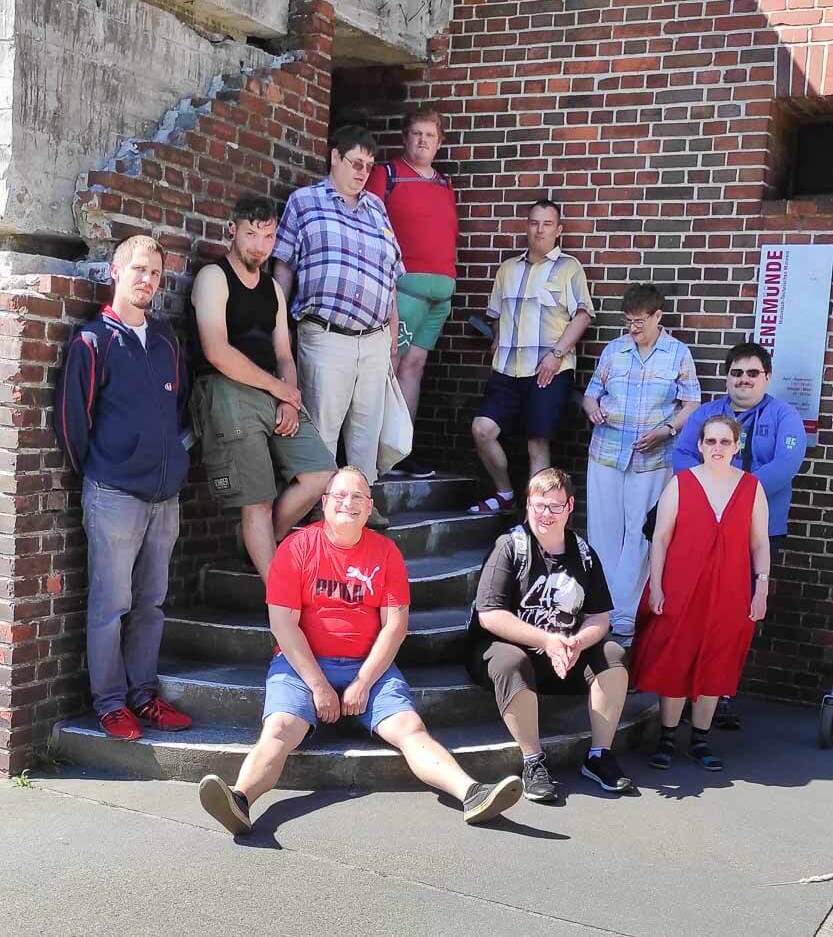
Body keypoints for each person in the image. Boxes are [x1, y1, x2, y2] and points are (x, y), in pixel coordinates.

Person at [197, 467, 523, 833]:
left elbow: (395, 626)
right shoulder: (296, 548)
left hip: (367, 665)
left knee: (410, 729)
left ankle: (472, 794)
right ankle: (239, 800)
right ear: (324, 503)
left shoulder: (386, 553)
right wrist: (318, 685)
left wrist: (364, 681)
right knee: (279, 728)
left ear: (369, 507)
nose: (347, 504)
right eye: (339, 496)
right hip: (301, 665)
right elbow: (283, 624)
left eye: (357, 497)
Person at [54, 236, 193, 740]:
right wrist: (107, 468)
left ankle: (143, 695)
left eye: (155, 273)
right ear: (115, 271)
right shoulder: (93, 342)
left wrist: (174, 462)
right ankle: (110, 703)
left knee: (150, 604)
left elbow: (180, 408)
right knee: (110, 606)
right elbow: (72, 421)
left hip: (164, 496)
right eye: (138, 269)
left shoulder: (166, 341)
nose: (147, 280)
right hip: (113, 493)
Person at [190, 197, 335, 585]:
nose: (259, 245)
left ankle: (257, 540)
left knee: (322, 475)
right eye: (251, 234)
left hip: (271, 389)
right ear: (232, 230)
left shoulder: (272, 288)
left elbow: (285, 355)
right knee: (258, 500)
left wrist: (289, 396)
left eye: (268, 236)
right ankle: (279, 599)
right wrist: (280, 390)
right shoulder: (213, 277)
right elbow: (216, 351)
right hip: (225, 389)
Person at [467, 467, 633, 801]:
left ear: (569, 506)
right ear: (528, 504)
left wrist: (577, 642)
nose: (546, 514)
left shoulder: (583, 553)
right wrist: (547, 641)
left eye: (555, 506)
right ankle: (533, 761)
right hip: (508, 652)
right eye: (539, 505)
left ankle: (599, 755)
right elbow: (490, 615)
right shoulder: (509, 546)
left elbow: (599, 617)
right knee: (509, 660)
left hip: (564, 654)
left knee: (613, 654)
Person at [272, 125, 404, 530]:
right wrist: (279, 328)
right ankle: (321, 506)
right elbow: (283, 268)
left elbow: (390, 276)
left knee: (366, 429)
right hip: (325, 332)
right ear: (334, 157)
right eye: (355, 163)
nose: (363, 172)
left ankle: (363, 501)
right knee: (323, 428)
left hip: (375, 337)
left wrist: (393, 336)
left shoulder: (377, 209)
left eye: (368, 166)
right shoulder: (304, 202)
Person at [672, 340, 807, 728]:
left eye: (752, 373)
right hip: (703, 528)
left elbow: (787, 463)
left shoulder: (784, 416)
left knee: (736, 614)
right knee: (697, 606)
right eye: (736, 373)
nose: (743, 380)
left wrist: (736, 493)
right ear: (727, 377)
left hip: (757, 531)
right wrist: (707, 492)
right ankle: (686, 688)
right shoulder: (707, 414)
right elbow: (681, 455)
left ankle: (722, 692)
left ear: (766, 377)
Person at [630, 416, 770, 773]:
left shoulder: (752, 487)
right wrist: (657, 585)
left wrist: (761, 588)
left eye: (725, 442)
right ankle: (667, 737)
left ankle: (700, 740)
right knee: (676, 656)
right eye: (711, 441)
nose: (717, 448)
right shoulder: (681, 483)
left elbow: (759, 543)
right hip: (681, 585)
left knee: (717, 659)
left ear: (737, 446)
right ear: (700, 445)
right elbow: (660, 538)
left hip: (731, 589)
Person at [581, 284, 701, 641]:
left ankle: (626, 612)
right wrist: (593, 409)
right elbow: (590, 394)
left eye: (639, 321)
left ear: (657, 316)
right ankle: (599, 608)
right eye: (628, 321)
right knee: (603, 529)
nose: (633, 328)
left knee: (640, 532)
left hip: (653, 455)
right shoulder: (614, 350)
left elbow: (691, 403)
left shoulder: (678, 353)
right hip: (607, 451)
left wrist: (667, 430)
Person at [469, 200, 594, 516]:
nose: (540, 230)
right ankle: (505, 494)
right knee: (482, 429)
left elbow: (583, 316)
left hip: (547, 370)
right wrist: (497, 341)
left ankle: (534, 519)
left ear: (558, 230)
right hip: (506, 370)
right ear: (527, 226)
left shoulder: (569, 268)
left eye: (547, 224)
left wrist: (556, 355)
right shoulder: (507, 270)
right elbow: (496, 316)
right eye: (534, 223)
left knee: (537, 443)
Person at [365, 106, 458, 479]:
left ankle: (401, 450)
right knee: (388, 367)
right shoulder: (386, 174)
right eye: (417, 133)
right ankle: (374, 453)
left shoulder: (444, 184)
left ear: (439, 142)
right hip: (403, 291)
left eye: (430, 135)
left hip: (439, 296)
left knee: (413, 369)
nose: (423, 141)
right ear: (405, 137)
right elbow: (369, 228)